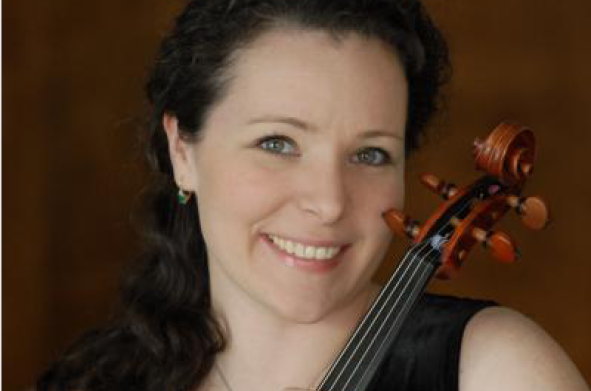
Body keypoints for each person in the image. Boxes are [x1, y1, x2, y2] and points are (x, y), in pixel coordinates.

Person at [37, 1, 589, 390]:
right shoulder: (101, 379)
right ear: (183, 151)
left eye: (370, 154)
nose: (329, 202)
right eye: (277, 142)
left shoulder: (493, 370)